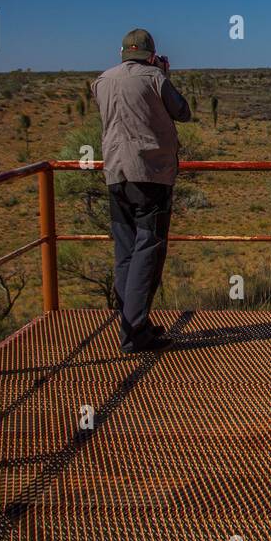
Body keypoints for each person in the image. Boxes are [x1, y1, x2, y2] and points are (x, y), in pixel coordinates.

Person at [91, 28, 192, 353]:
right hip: (150, 174)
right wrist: (163, 74)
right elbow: (183, 112)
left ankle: (134, 323)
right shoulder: (154, 78)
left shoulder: (102, 81)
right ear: (151, 55)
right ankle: (134, 332)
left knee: (126, 252)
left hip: (115, 173)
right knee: (149, 249)